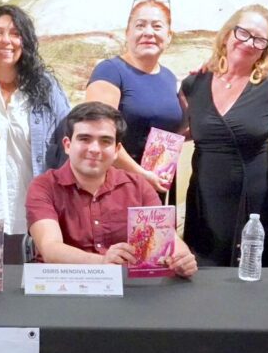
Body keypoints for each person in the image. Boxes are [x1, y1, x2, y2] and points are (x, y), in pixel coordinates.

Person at [26, 102, 197, 277]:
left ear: (116, 150)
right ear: (67, 145)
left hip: (127, 286)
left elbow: (168, 238)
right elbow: (51, 248)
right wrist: (102, 262)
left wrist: (182, 258)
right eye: (84, 139)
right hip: (63, 283)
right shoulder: (43, 187)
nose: (94, 149)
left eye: (105, 141)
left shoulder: (138, 186)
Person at [179, 5, 268, 267]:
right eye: (244, 33)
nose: (249, 43)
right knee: (201, 272)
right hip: (205, 197)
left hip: (254, 200)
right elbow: (182, 133)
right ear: (227, 34)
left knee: (249, 275)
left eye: (259, 39)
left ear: (265, 49)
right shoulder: (193, 85)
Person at [0, 4, 70, 234]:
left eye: (15, 34)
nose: (6, 40)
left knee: (27, 259)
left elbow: (69, 140)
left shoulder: (46, 87)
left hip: (32, 213)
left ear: (25, 41)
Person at [81, 0, 184, 194]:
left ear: (169, 35)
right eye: (140, 25)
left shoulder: (169, 77)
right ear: (127, 33)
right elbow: (97, 133)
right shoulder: (110, 71)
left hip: (156, 186)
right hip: (115, 186)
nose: (148, 33)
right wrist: (140, 175)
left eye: (157, 26)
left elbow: (175, 131)